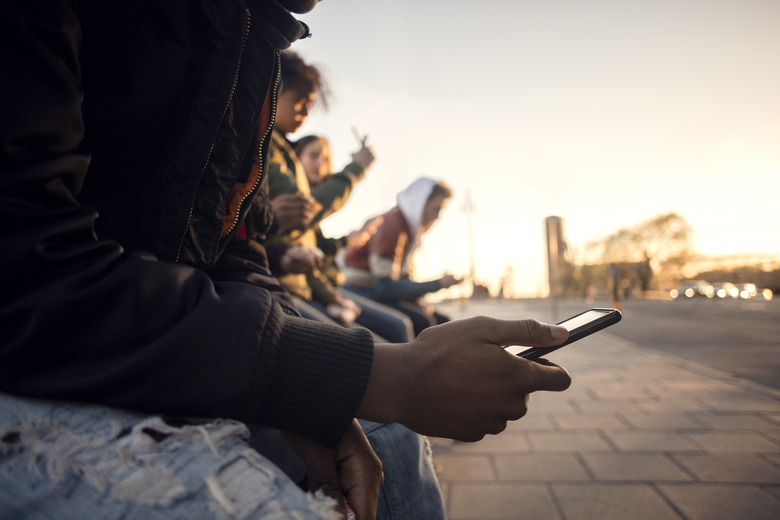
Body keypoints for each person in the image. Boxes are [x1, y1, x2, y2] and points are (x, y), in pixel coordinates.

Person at [0, 2, 573, 519]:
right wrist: (378, 374)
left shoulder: (248, 34)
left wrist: (314, 392)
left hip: (146, 330)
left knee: (391, 441)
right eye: (301, 111)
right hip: (42, 344)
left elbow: (229, 250)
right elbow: (25, 263)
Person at [256, 51, 413, 343]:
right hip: (281, 287)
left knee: (398, 328)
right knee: (381, 344)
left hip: (303, 286)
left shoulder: (278, 148)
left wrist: (344, 245)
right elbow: (302, 212)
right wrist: (356, 169)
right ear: (274, 91)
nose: (305, 111)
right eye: (300, 101)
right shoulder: (269, 148)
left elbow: (305, 247)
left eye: (309, 105)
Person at [294, 134, 416, 343]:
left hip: (327, 287)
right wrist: (357, 167)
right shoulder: (296, 200)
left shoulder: (312, 218)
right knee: (388, 337)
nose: (320, 164)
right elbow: (299, 259)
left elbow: (318, 250)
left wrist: (349, 240)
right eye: (313, 156)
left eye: (325, 159)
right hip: (311, 289)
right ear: (295, 159)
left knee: (399, 326)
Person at [342, 178, 462, 336]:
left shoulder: (408, 229)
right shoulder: (392, 226)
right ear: (420, 203)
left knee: (442, 321)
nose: (437, 217)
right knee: (417, 324)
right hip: (357, 289)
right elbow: (385, 287)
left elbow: (400, 279)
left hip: (374, 288)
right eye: (435, 209)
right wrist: (439, 283)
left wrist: (416, 299)